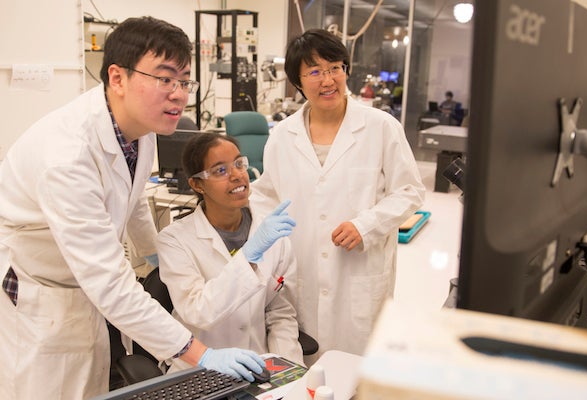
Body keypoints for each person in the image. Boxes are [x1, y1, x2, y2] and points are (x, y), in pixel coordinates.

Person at [0, 17, 264, 400]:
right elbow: (110, 283)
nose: (178, 94)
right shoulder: (68, 157)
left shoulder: (136, 129)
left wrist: (160, 256)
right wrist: (201, 354)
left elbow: (134, 197)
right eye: (164, 78)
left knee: (90, 385)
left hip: (82, 290)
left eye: (184, 81)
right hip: (42, 291)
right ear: (118, 78)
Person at [250, 28, 426, 363]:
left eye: (335, 68)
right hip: (302, 274)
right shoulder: (283, 137)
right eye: (314, 72)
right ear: (298, 82)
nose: (328, 80)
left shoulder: (380, 126)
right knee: (308, 371)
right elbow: (265, 198)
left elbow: (410, 191)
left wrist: (367, 224)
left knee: (357, 371)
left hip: (358, 272)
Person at [157, 132, 304, 373]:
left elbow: (280, 312)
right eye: (220, 171)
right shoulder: (175, 241)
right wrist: (248, 256)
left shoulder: (271, 230)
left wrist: (288, 370)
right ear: (197, 184)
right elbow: (198, 311)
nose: (237, 175)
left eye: (238, 164)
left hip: (258, 364)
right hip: (200, 369)